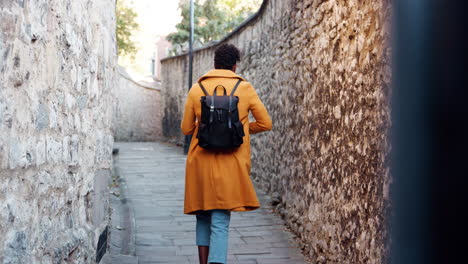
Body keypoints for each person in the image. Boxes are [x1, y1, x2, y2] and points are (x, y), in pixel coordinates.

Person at [180, 43, 272, 264]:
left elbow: (186, 129)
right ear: (234, 66)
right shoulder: (244, 89)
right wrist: (238, 129)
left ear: (214, 64)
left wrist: (206, 128)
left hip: (200, 161)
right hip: (231, 162)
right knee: (220, 220)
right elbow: (265, 123)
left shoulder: (196, 89)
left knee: (202, 215)